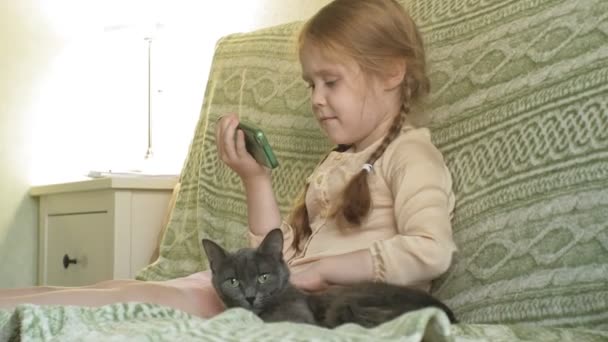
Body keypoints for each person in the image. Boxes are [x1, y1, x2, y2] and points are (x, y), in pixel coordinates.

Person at [0, 0, 455, 317]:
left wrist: (323, 269)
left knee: (149, 299)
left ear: (392, 72)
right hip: (278, 291)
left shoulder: (410, 154)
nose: (316, 99)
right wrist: (255, 179)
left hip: (314, 306)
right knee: (119, 289)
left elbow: (430, 250)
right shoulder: (338, 162)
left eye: (330, 82)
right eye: (309, 84)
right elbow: (272, 252)